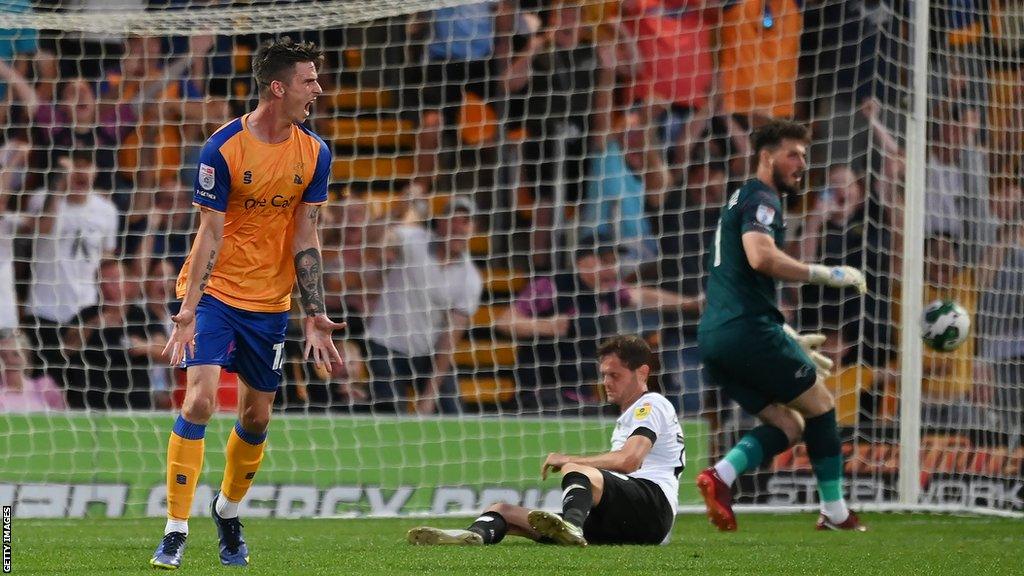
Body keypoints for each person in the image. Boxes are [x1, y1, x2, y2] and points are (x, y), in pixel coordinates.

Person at [150, 38, 345, 569]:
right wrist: (187, 310)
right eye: (309, 80)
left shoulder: (315, 153)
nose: (317, 90)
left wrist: (314, 314)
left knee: (257, 418)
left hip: (271, 301)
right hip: (214, 292)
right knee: (200, 401)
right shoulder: (224, 147)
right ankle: (175, 529)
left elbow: (306, 234)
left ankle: (228, 511)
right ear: (278, 87)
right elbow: (208, 233)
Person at [695, 119, 868, 532]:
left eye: (805, 156)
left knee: (789, 424)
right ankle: (835, 512)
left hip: (716, 337)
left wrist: (784, 332)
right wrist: (823, 274)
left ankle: (721, 475)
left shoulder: (739, 198)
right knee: (822, 407)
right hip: (748, 331)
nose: (801, 163)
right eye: (793, 154)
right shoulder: (763, 200)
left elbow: (737, 275)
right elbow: (760, 257)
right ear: (766, 156)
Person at [406, 335, 683, 547]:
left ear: (642, 373)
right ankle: (472, 535)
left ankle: (572, 527)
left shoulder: (652, 404)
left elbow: (629, 460)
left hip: (653, 509)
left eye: (614, 375)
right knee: (501, 510)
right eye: (603, 375)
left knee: (576, 470)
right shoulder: (630, 415)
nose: (606, 382)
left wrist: (569, 460)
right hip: (623, 517)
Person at [363, 197, 482, 415]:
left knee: (453, 413)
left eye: (465, 222)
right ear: (440, 223)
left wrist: (429, 396)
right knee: (390, 413)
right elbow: (374, 239)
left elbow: (449, 340)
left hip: (427, 351)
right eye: (453, 219)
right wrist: (398, 209)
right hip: (385, 342)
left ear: (473, 229)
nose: (458, 227)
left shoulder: (470, 278)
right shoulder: (413, 239)